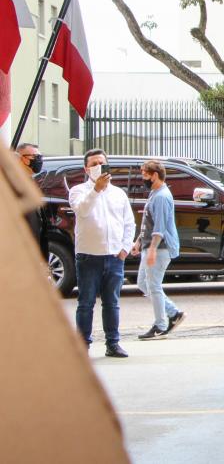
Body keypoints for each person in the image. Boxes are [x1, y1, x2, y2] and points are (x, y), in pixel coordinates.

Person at [69, 149, 135, 358]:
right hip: (89, 255)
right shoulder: (78, 191)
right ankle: (82, 345)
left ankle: (112, 343)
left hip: (114, 256)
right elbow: (82, 211)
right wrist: (96, 190)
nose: (98, 166)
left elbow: (128, 223)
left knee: (112, 302)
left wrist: (124, 248)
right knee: (86, 302)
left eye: (102, 162)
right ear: (86, 169)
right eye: (94, 163)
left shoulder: (118, 193)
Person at [132, 160, 184, 340]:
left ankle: (161, 325)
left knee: (153, 285)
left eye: (145, 174)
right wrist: (139, 241)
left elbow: (159, 227)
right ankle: (174, 313)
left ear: (154, 175)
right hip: (150, 246)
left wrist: (152, 248)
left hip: (159, 247)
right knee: (143, 283)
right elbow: (149, 222)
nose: (143, 178)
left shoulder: (161, 196)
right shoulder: (155, 193)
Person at [15, 143, 49, 260]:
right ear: (21, 158)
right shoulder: (12, 184)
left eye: (40, 157)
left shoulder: (30, 182)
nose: (39, 161)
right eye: (35, 157)